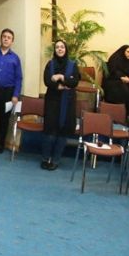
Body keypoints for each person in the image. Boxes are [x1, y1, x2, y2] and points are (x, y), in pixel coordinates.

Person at [40, 39, 80, 170]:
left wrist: (61, 77)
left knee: (63, 132)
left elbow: (74, 82)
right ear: (55, 50)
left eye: (62, 47)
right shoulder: (50, 64)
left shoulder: (73, 65)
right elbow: (47, 81)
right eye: (57, 47)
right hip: (52, 102)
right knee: (50, 131)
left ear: (66, 49)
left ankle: (55, 160)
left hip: (67, 103)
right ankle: (45, 159)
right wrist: (60, 87)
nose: (60, 49)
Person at [102, 44, 129, 114]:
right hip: (111, 80)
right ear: (123, 51)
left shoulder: (127, 61)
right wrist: (121, 77)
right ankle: (121, 113)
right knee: (123, 91)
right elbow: (111, 72)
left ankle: (126, 114)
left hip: (122, 82)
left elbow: (128, 73)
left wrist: (128, 79)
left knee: (126, 90)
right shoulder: (114, 58)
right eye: (128, 52)